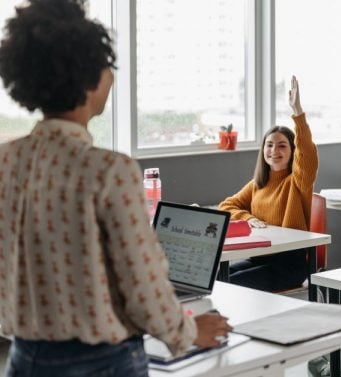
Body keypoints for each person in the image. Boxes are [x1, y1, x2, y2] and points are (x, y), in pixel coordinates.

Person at [0, 1, 230, 375]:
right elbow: (143, 283)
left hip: (23, 358)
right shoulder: (109, 170)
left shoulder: (5, 162)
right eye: (109, 66)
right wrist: (187, 331)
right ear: (88, 78)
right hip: (103, 362)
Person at [218, 76, 318, 292]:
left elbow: (307, 153)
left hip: (288, 266)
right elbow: (226, 206)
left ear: (293, 152)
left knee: (229, 286)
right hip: (259, 259)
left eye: (282, 146)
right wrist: (249, 218)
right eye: (269, 145)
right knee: (214, 277)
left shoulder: (298, 181)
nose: (274, 151)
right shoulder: (258, 183)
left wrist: (298, 112)